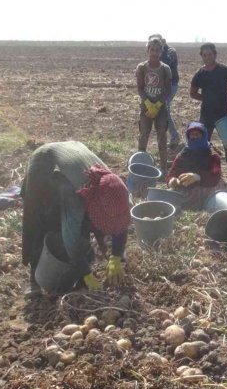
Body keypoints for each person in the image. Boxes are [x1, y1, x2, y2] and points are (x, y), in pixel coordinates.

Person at [21, 141, 130, 295]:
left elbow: (121, 219)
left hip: (74, 154)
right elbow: (70, 238)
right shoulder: (74, 194)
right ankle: (34, 277)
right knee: (41, 220)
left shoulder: (115, 187)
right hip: (44, 162)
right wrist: (87, 273)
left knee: (83, 223)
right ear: (93, 204)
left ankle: (79, 273)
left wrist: (116, 255)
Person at [190, 43, 227, 184]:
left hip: (222, 113)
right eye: (205, 55)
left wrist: (226, 95)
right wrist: (205, 99)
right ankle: (204, 173)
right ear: (202, 56)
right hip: (206, 114)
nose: (207, 57)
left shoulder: (225, 70)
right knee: (203, 143)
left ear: (215, 54)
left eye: (210, 55)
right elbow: (192, 93)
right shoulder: (199, 74)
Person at [166, 122, 222, 210]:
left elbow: (215, 176)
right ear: (188, 137)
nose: (195, 137)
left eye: (197, 134)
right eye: (192, 135)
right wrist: (172, 180)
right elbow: (173, 172)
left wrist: (198, 177)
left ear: (204, 136)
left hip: (206, 187)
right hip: (186, 189)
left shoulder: (212, 155)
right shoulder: (183, 154)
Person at [136, 37, 173, 172]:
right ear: (148, 50)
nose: (155, 53)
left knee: (162, 137)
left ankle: (164, 170)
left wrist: (157, 105)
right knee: (144, 135)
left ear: (161, 51)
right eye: (152, 50)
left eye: (157, 50)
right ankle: (139, 166)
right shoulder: (142, 68)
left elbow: (168, 90)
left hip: (161, 108)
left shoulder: (165, 69)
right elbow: (140, 87)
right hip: (146, 107)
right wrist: (147, 103)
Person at [149, 34, 182, 150]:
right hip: (160, 86)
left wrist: (161, 50)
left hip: (171, 85)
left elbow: (166, 62)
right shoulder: (154, 52)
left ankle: (174, 136)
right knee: (163, 109)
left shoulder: (171, 51)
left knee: (165, 108)